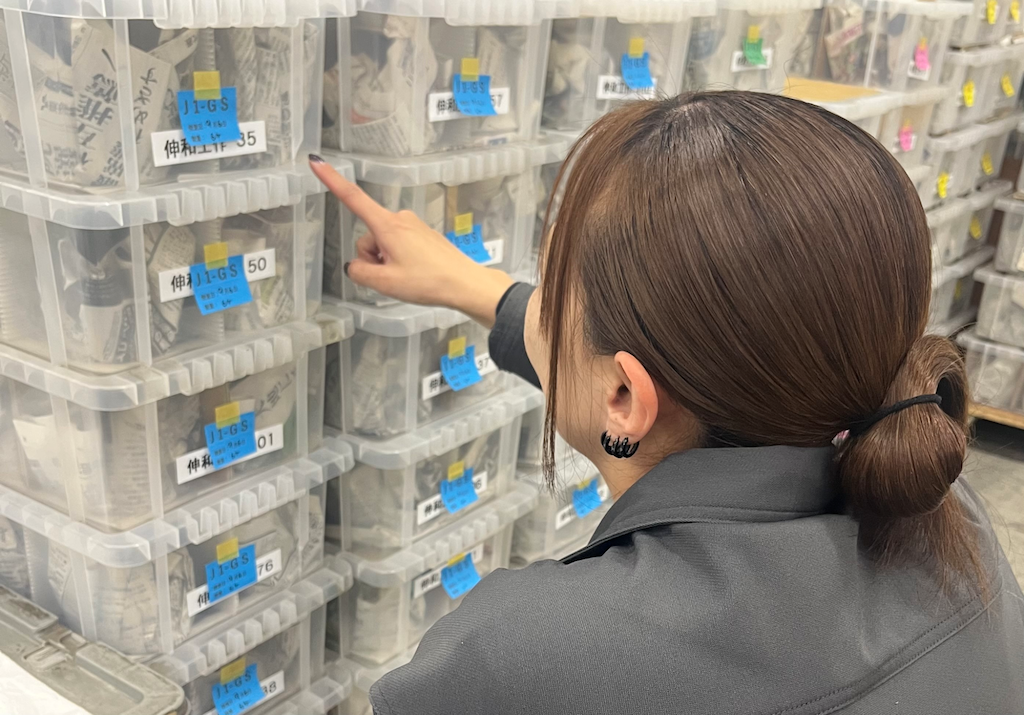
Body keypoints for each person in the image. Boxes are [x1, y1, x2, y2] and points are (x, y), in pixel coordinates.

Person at [310, 91, 1024, 714]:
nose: (539, 305)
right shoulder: (947, 514)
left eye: (551, 289)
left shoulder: (525, 658)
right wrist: (471, 285)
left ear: (623, 394)